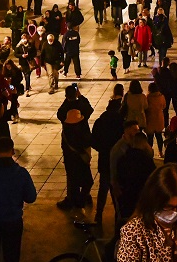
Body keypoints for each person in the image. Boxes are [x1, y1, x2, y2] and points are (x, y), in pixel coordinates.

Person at [56, 85, 95, 210]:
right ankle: (85, 196)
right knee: (85, 171)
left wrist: (68, 99)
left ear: (66, 96)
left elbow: (59, 114)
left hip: (69, 147)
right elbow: (90, 109)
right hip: (83, 146)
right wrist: (80, 97)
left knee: (72, 174)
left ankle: (72, 198)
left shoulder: (64, 109)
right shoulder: (82, 107)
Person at [90, 94, 125, 225]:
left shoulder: (100, 121)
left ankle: (99, 214)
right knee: (117, 189)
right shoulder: (121, 122)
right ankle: (119, 216)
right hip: (119, 161)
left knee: (103, 188)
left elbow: (93, 141)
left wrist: (103, 149)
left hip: (104, 159)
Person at [115, 133, 158, 221]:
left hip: (126, 198)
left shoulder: (123, 159)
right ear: (144, 144)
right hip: (142, 198)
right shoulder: (146, 160)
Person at [146, 82, 167, 156]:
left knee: (150, 138)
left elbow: (146, 107)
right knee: (159, 136)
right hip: (159, 118)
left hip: (150, 119)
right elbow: (164, 106)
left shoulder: (148, 97)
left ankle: (149, 151)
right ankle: (160, 152)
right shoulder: (161, 96)